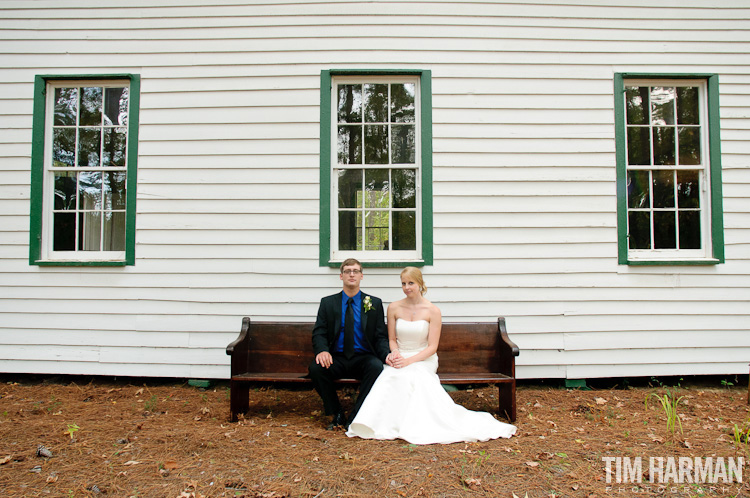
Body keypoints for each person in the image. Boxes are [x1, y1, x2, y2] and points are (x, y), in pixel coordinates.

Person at [346, 267, 517, 444]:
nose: (407, 287)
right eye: (403, 283)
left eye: (411, 283)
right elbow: (391, 339)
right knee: (390, 375)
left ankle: (418, 424)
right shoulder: (394, 307)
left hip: (423, 358)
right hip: (401, 356)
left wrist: (409, 361)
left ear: (420, 284)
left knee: (413, 375)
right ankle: (385, 424)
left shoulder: (432, 310)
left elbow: (432, 347)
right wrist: (396, 354)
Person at [308, 258, 390, 430]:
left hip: (363, 357)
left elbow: (380, 336)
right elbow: (320, 332)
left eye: (355, 271)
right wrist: (322, 351)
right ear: (341, 276)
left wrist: (386, 355)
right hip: (336, 357)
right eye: (347, 271)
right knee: (316, 368)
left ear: (361, 276)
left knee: (376, 367)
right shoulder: (328, 303)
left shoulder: (373, 303)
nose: (351, 274)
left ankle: (356, 415)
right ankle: (336, 413)